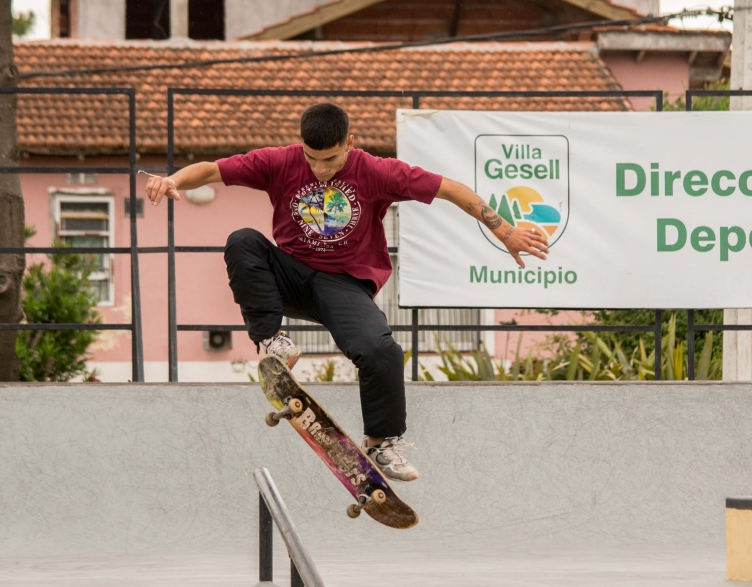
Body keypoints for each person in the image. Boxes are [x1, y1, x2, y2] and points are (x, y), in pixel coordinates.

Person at [144, 103, 548, 481]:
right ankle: (272, 342)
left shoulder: (376, 171)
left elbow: (452, 189)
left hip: (344, 285)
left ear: (349, 145)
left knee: (381, 351)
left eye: (331, 160)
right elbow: (211, 171)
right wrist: (173, 180)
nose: (319, 169)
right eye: (312, 158)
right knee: (243, 240)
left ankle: (382, 444)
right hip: (291, 274)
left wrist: (505, 230)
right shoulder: (279, 161)